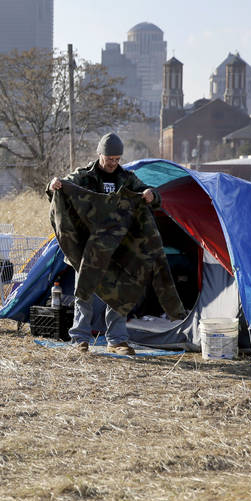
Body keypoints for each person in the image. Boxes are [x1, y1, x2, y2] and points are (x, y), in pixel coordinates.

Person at [47, 132, 160, 355]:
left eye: (117, 159)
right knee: (84, 294)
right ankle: (80, 338)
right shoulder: (84, 176)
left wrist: (151, 195)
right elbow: (62, 188)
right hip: (87, 247)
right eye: (110, 159)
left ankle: (117, 340)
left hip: (117, 247)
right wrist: (53, 186)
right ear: (100, 154)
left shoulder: (127, 178)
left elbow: (150, 194)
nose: (113, 163)